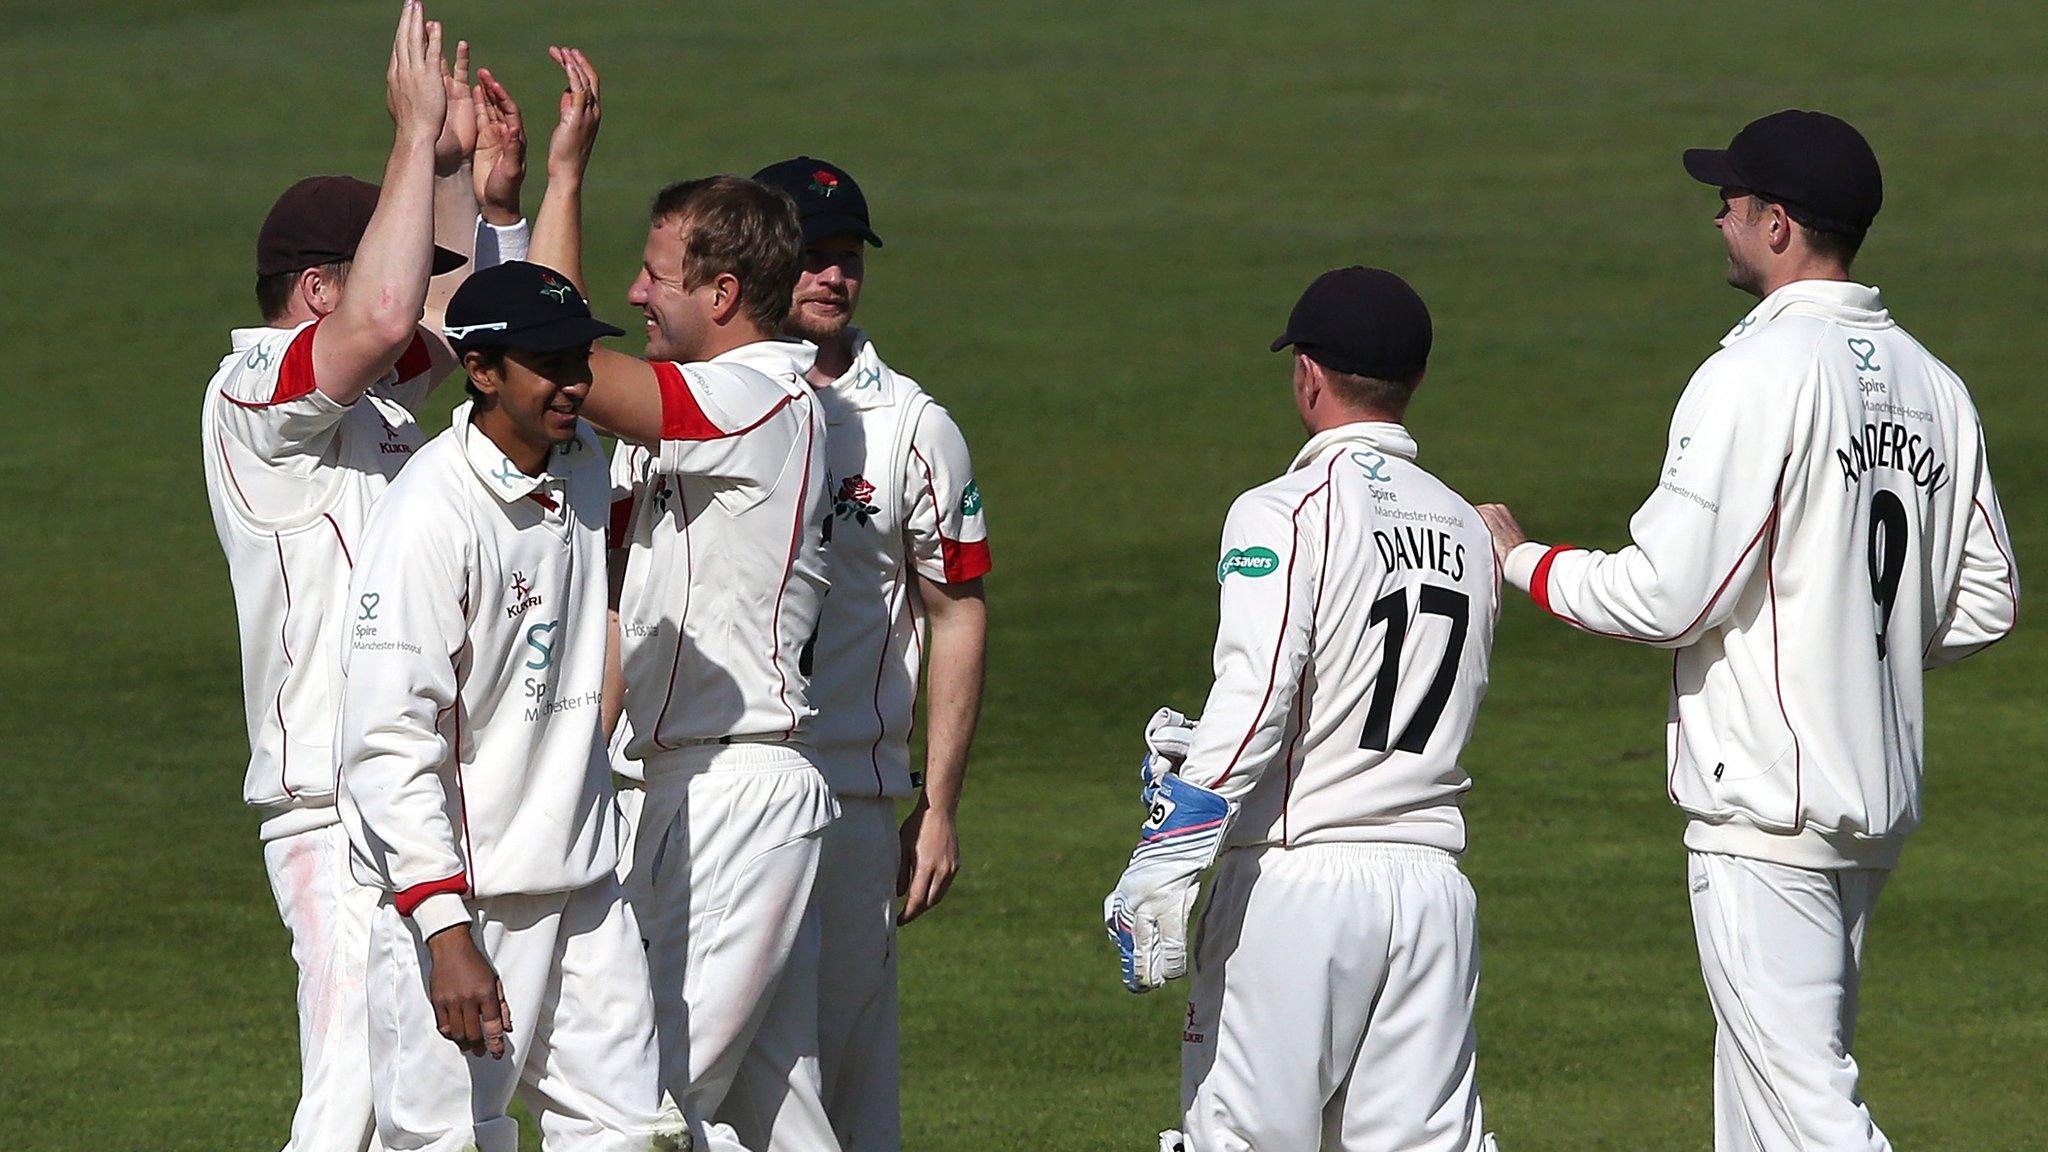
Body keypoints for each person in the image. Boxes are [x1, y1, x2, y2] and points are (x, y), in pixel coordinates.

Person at [1478, 110, 2019, 1152]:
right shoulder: (1932, 382)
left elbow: (1667, 596)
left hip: (1764, 809)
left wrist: (1518, 561)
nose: (1715, 219)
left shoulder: (1753, 373)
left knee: (1806, 1113)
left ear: (1777, 226)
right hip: (1865, 802)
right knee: (1761, 1119)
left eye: (1726, 203)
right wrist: (1849, 631)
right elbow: (1984, 599)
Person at [197, 6, 529, 1148]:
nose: (397, 301)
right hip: (331, 808)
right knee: (346, 1111)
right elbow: (398, 306)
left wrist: (465, 184)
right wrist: (408, 134)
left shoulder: (383, 403)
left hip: (412, 799)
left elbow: (464, 319)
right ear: (314, 290)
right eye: (373, 272)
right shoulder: (253, 391)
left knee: (424, 1112)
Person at [1108, 268, 1502, 1152]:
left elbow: (1258, 694)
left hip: (1300, 885)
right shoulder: (1471, 531)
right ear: (1414, 383)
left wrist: (1167, 855)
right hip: (1431, 890)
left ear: (1309, 375)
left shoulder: (1280, 512)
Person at [525, 49, 839, 1152]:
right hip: (684, 780)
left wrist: (554, 192)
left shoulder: (752, 395)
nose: (632, 294)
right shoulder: (703, 405)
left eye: (653, 274)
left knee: (632, 1106)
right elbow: (563, 361)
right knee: (769, 1114)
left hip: (736, 791)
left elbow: (552, 360)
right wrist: (561, 184)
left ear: (719, 292)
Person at [334, 258, 677, 1152]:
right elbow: (383, 741)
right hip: (470, 899)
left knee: (630, 1134)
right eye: (547, 362)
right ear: (481, 370)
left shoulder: (583, 466)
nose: (574, 382)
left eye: (578, 358)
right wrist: (444, 928)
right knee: (451, 1141)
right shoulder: (428, 518)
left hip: (586, 883)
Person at [737, 155, 990, 1152]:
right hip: (710, 783)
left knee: (840, 1092)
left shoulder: (910, 425)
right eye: (811, 255)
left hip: (847, 799)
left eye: (847, 258)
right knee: (718, 1079)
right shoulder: (687, 401)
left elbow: (956, 609)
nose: (833, 276)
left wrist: (937, 806)